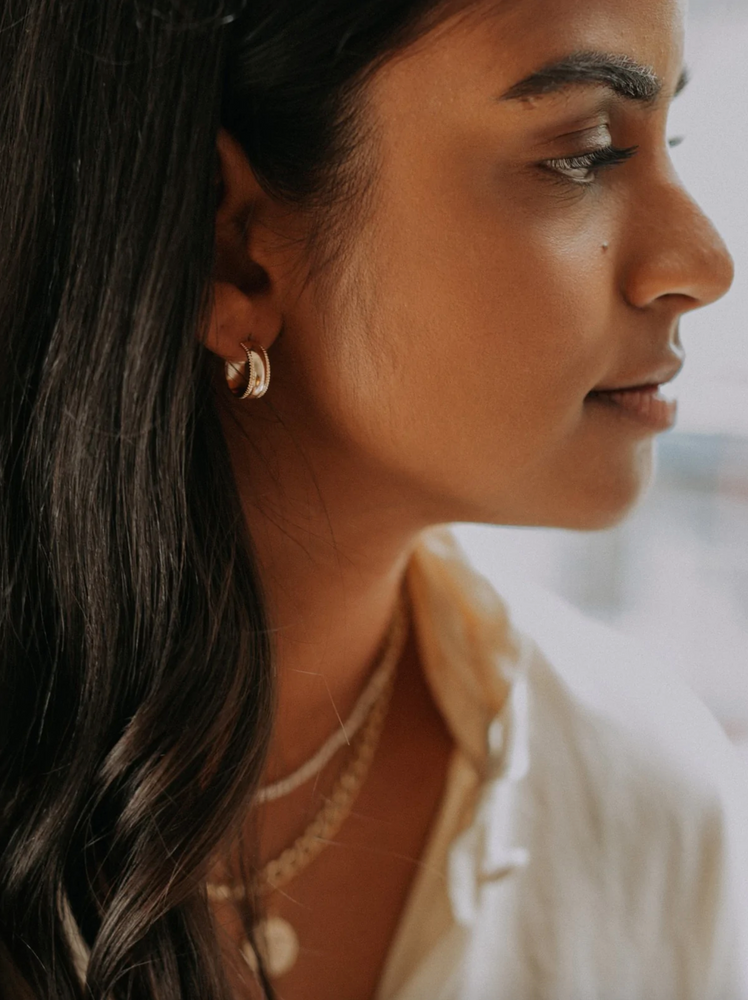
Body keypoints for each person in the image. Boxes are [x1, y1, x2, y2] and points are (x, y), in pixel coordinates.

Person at [1, 0, 746, 998]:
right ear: (233, 245)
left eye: (671, 141)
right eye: (585, 151)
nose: (703, 263)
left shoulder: (645, 806)